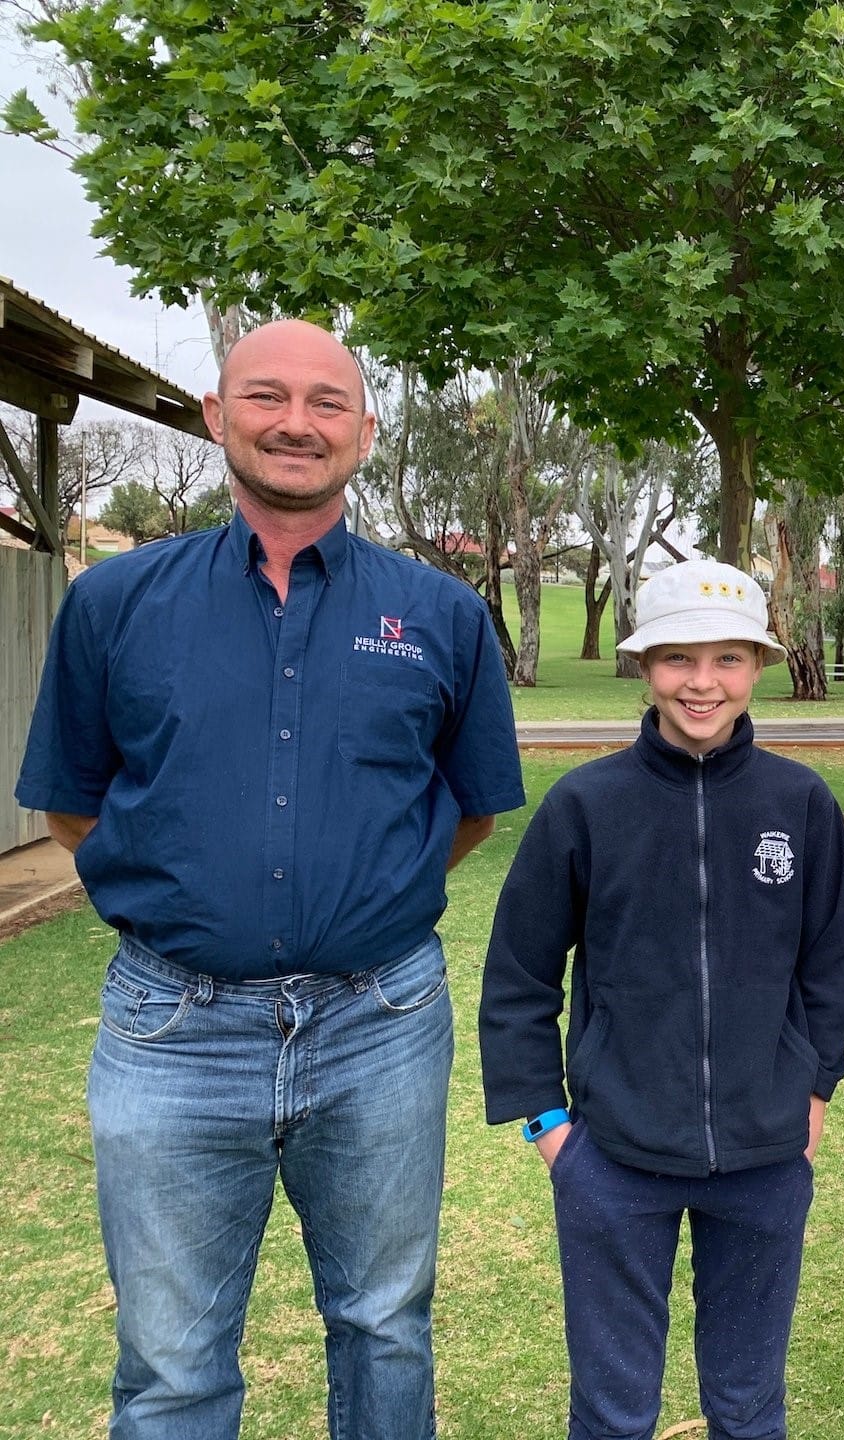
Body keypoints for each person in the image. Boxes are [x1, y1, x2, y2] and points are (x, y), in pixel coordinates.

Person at [13, 318, 525, 1439]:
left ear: (365, 432)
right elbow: (71, 798)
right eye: (267, 397)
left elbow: (473, 806)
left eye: (326, 403)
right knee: (171, 1358)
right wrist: (193, 901)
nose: (297, 422)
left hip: (380, 1021)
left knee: (386, 1322)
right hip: (171, 1028)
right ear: (215, 415)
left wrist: (366, 896)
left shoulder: (440, 613)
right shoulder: (116, 603)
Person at [477, 559, 844, 1440]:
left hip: (765, 1162)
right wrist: (547, 1124)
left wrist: (814, 1086)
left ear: (757, 666)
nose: (702, 682)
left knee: (749, 1405)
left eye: (727, 659)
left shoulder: (798, 803)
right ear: (644, 666)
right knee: (613, 1414)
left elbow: (830, 963)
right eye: (679, 658)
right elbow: (519, 975)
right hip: (613, 1161)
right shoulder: (585, 804)